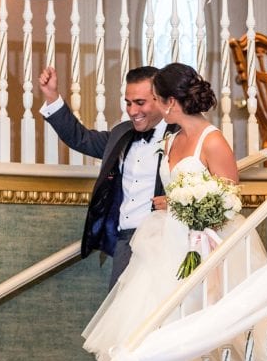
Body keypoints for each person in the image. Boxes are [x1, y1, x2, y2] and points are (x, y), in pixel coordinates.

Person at [82, 63, 267, 361]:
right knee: (147, 333)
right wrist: (172, 204)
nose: (148, 107)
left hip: (203, 244)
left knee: (200, 336)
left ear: (168, 102)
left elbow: (232, 197)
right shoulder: (171, 140)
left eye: (154, 100)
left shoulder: (212, 140)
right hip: (164, 243)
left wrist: (185, 204)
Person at [38, 65, 169, 288]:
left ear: (160, 100)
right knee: (118, 315)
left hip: (163, 240)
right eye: (128, 103)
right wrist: (52, 97)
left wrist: (175, 202)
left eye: (140, 102)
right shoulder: (121, 133)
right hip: (125, 243)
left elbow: (206, 184)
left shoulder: (181, 135)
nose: (132, 111)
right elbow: (81, 138)